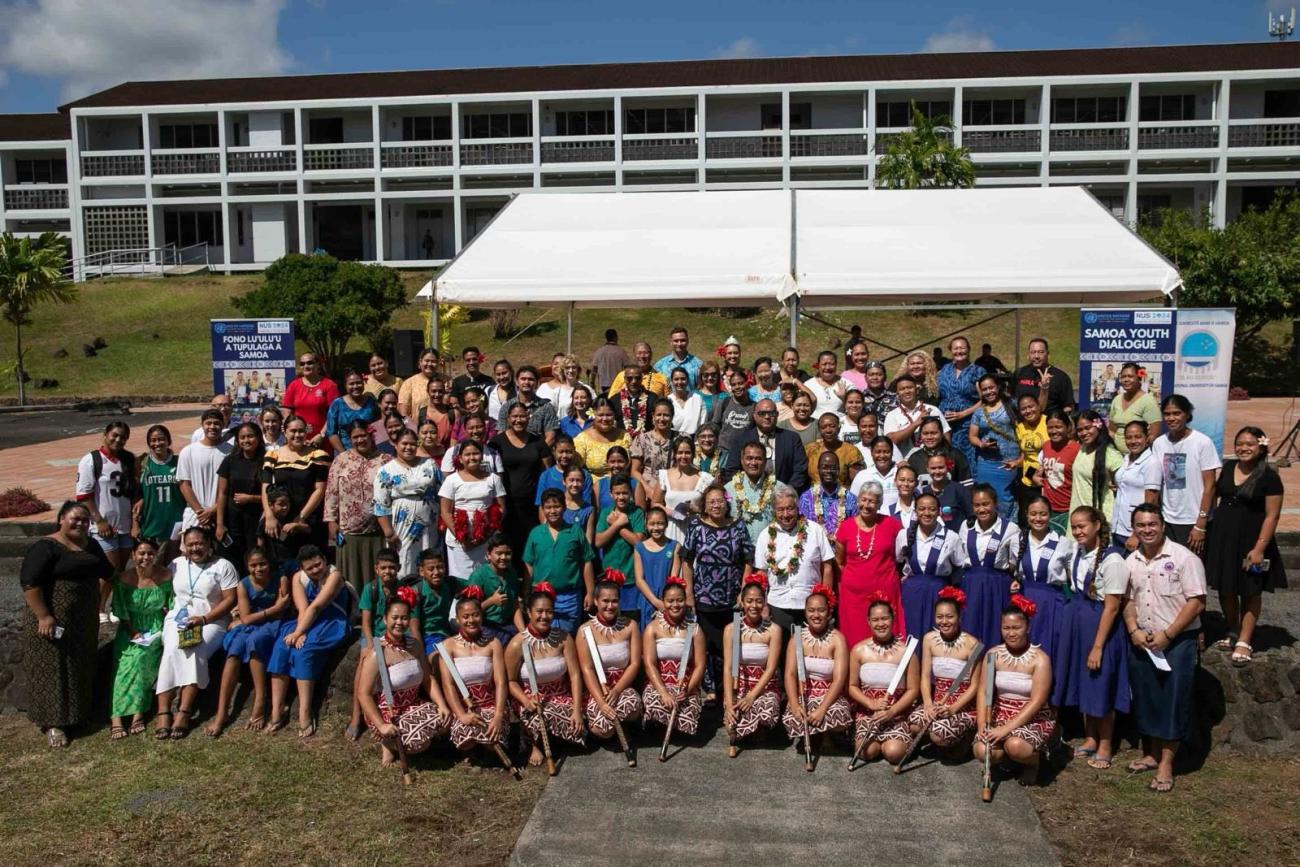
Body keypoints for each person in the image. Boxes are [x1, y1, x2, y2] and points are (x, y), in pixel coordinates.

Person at [19, 502, 114, 747]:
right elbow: (30, 584)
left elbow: (109, 572)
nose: (81, 523)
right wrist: (44, 615)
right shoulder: (46, 547)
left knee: (79, 664)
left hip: (82, 620)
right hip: (50, 618)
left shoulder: (91, 545)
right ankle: (54, 723)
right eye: (75, 519)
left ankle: (78, 715)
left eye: (85, 520)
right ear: (61, 518)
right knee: (53, 668)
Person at [1204, 426, 1286, 666]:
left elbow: (1272, 516)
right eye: (1240, 443)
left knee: (1250, 590)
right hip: (1224, 538)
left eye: (1250, 444)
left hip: (1253, 540)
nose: (1244, 448)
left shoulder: (1269, 476)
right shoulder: (1229, 468)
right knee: (1226, 587)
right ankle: (1233, 629)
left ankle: (1245, 640)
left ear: (1261, 447)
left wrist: (1260, 548)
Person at [1055, 506, 1129, 770]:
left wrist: (1098, 646)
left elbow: (1111, 606)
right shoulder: (1077, 552)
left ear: (1097, 525)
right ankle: (1090, 737)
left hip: (1100, 628)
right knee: (1084, 681)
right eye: (1074, 527)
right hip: (1079, 621)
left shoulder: (1113, 560)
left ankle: (1106, 743)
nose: (1078, 532)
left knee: (1100, 683)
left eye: (1082, 526)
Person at [155, 526, 239, 739]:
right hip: (179, 619)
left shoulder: (223, 566)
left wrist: (203, 619)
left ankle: (184, 710)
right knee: (173, 648)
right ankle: (164, 710)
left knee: (194, 648)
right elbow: (157, 582)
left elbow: (230, 599)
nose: (195, 548)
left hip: (212, 621)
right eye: (190, 544)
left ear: (209, 543)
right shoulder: (176, 564)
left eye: (199, 543)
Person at [355, 593, 453, 768]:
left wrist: (441, 704)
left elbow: (428, 678)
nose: (399, 622)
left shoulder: (414, 645)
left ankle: (412, 738)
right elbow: (363, 694)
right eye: (395, 618)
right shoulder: (378, 652)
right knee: (417, 743)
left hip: (412, 705)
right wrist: (382, 725)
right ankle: (388, 743)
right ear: (385, 619)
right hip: (388, 712)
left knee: (446, 719)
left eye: (404, 618)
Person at [266, 546, 353, 737]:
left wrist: (299, 633)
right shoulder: (297, 578)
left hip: (331, 621)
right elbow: (303, 607)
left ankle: (305, 710)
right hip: (306, 619)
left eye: (318, 564)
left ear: (324, 559)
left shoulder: (334, 576)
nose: (315, 570)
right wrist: (300, 630)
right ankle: (277, 708)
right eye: (310, 568)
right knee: (282, 646)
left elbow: (317, 606)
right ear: (302, 569)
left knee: (303, 650)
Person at [677, 483, 754, 699]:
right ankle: (709, 689)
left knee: (728, 644)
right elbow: (687, 559)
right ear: (704, 505)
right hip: (704, 594)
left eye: (720, 501)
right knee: (707, 644)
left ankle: (727, 688)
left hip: (731, 595)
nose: (716, 505)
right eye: (711, 502)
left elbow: (748, 558)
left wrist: (744, 590)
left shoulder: (738, 526)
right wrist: (689, 592)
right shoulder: (696, 525)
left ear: (726, 503)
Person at [205, 547, 290, 737]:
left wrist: (271, 611)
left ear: (269, 564)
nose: (258, 569)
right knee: (234, 649)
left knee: (254, 641)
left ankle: (260, 698)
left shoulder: (280, 580)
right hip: (253, 622)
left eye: (262, 564)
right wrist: (271, 609)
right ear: (247, 567)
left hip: (273, 625)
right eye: (253, 565)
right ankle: (221, 713)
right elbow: (245, 618)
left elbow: (282, 611)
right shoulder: (243, 585)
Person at [974, 596, 1057, 786]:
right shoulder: (992, 654)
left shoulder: (1040, 659)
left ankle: (1034, 762)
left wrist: (1005, 729)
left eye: (1016, 628)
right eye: (1006, 628)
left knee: (1015, 746)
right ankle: (1008, 760)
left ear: (1027, 628)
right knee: (981, 749)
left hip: (1033, 716)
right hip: (1001, 712)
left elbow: (1037, 701)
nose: (1011, 633)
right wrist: (981, 725)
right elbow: (983, 692)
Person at [506, 583, 587, 765]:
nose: (544, 616)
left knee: (577, 727)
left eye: (549, 612)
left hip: (559, 695)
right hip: (529, 698)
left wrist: (576, 709)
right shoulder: (517, 644)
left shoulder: (564, 638)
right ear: (529, 612)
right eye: (539, 611)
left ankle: (555, 738)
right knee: (536, 718)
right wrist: (526, 701)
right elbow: (510, 681)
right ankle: (534, 744)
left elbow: (575, 675)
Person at [107, 537, 173, 739]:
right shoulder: (123, 579)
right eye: (141, 553)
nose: (146, 557)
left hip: (154, 627)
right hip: (130, 628)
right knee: (124, 664)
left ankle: (138, 713)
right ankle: (116, 717)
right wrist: (133, 632)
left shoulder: (165, 576)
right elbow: (120, 610)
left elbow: (170, 606)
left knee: (141, 660)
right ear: (133, 555)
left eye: (150, 553)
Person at [907, 587, 982, 754]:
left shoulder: (972, 644)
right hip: (937, 700)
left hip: (962, 704)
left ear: (959, 616)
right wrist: (927, 704)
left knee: (938, 735)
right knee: (913, 724)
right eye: (939, 617)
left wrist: (953, 708)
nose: (944, 621)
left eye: (950, 616)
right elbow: (925, 676)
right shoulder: (929, 639)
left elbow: (975, 686)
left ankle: (965, 737)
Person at [846, 597, 920, 767]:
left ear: (893, 619)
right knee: (866, 752)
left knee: (894, 753)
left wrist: (892, 711)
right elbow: (852, 686)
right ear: (868, 622)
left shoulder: (906, 652)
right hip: (868, 712)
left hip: (896, 712)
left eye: (885, 618)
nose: (881, 624)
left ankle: (903, 740)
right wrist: (870, 703)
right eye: (875, 619)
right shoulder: (858, 650)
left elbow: (913, 690)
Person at [440, 587, 511, 759]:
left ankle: (488, 746)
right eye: (466, 616)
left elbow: (501, 682)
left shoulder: (493, 643)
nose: (471, 620)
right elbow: (448, 685)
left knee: (494, 736)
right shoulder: (447, 646)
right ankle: (471, 750)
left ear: (482, 615)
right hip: (463, 706)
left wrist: (498, 714)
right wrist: (462, 715)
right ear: (457, 619)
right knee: (466, 739)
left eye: (475, 615)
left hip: (489, 704)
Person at [755, 485, 835, 632]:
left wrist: (826, 603)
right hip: (778, 604)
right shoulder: (765, 535)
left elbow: (828, 566)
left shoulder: (815, 530)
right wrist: (763, 605)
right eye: (780, 509)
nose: (786, 514)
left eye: (790, 508)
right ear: (774, 510)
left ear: (798, 507)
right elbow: (761, 573)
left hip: (810, 607)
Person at [835, 481, 906, 646]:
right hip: (853, 596)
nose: (866, 505)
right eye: (863, 500)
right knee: (854, 637)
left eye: (872, 501)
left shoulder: (892, 525)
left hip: (885, 592)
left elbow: (902, 556)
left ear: (880, 504)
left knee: (886, 635)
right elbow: (839, 562)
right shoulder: (845, 527)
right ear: (858, 500)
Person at [321, 419, 387, 595]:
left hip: (378, 530)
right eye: (354, 437)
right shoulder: (341, 460)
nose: (359, 440)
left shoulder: (385, 460)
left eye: (362, 436)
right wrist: (331, 521)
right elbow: (331, 492)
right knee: (350, 576)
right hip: (349, 530)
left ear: (371, 435)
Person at [781, 584, 852, 749]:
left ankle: (825, 734)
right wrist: (794, 704)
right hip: (806, 692)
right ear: (805, 612)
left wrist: (822, 709)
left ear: (829, 612)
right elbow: (790, 675)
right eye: (811, 610)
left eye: (821, 610)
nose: (816, 615)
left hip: (830, 695)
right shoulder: (797, 637)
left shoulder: (838, 639)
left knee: (837, 717)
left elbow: (839, 679)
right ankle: (815, 733)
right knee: (794, 718)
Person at [576, 572, 645, 739]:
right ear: (595, 602)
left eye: (614, 601)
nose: (610, 606)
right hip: (597, 689)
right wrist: (601, 701)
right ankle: (604, 724)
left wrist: (617, 690)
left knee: (633, 707)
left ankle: (623, 724)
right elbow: (587, 669)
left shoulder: (631, 626)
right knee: (603, 730)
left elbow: (635, 663)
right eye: (605, 601)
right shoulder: (585, 630)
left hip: (620, 685)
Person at [1150, 394, 1221, 550]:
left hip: (1193, 521)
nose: (1171, 418)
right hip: (1168, 520)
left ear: (1187, 414)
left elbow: (1210, 486)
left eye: (1177, 413)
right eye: (1167, 414)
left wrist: (1200, 524)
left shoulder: (1202, 442)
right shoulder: (1159, 443)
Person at [722, 574, 784, 752]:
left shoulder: (774, 630)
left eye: (758, 601)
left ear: (764, 602)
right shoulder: (731, 629)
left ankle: (759, 730)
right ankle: (745, 728)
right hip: (738, 683)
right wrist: (728, 701)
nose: (753, 606)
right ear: (742, 602)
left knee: (766, 709)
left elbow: (772, 667)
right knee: (732, 722)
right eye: (749, 601)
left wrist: (752, 696)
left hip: (764, 685)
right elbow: (727, 668)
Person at [957, 484, 1022, 649]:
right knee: (969, 632)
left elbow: (1015, 562)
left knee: (994, 632)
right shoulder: (967, 526)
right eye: (977, 505)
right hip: (971, 586)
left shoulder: (1011, 529)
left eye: (986, 504)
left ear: (995, 504)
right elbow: (961, 556)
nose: (981, 509)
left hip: (997, 586)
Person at [524, 490, 597, 634]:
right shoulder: (536, 533)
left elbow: (586, 563)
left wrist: (590, 592)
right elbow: (529, 565)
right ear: (543, 509)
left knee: (568, 636)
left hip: (569, 596)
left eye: (556, 506)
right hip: (541, 596)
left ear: (564, 507)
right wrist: (526, 592)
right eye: (548, 507)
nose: (552, 511)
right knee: (542, 637)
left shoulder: (575, 532)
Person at [642, 577, 708, 738]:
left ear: (685, 601)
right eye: (670, 601)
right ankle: (657, 726)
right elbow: (649, 663)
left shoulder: (694, 629)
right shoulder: (652, 628)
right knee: (657, 706)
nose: (675, 605)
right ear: (663, 602)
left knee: (687, 714)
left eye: (679, 600)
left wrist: (687, 689)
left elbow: (700, 665)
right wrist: (663, 692)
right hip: (659, 683)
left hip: (684, 684)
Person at [492, 402, 553, 566]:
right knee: (508, 548)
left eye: (522, 416)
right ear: (508, 418)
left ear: (528, 418)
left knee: (531, 546)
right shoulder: (497, 443)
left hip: (532, 505)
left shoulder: (538, 442)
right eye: (515, 416)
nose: (518, 420)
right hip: (506, 506)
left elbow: (548, 472)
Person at [1017, 496, 1069, 692]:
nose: (1038, 518)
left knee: (1049, 652)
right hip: (1025, 602)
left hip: (1051, 605)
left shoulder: (1063, 543)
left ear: (1050, 515)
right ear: (1026, 515)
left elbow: (1071, 577)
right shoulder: (1019, 540)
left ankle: (1049, 704)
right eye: (1033, 514)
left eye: (1043, 514)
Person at [373, 429, 442, 576]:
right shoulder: (386, 470)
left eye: (412, 444)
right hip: (401, 527)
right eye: (404, 443)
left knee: (430, 562)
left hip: (429, 525)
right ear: (395, 445)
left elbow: (442, 493)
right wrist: (389, 532)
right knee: (405, 562)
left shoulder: (429, 464)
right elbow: (380, 505)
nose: (408, 447)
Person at [438, 440, 506, 581]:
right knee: (462, 582)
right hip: (459, 541)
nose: (472, 458)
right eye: (467, 454)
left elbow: (501, 509)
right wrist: (462, 537)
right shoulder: (452, 480)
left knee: (485, 579)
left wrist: (485, 536)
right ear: (460, 458)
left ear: (481, 456)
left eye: (475, 453)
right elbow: (445, 512)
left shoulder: (493, 479)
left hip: (486, 538)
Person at [896, 492, 961, 642]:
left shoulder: (951, 536)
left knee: (937, 634)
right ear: (916, 511)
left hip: (938, 592)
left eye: (931, 509)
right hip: (911, 592)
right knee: (911, 632)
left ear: (938, 511)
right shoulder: (903, 535)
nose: (926, 513)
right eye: (922, 509)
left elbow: (959, 565)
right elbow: (898, 561)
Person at [75, 421, 135, 572]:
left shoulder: (128, 460)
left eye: (123, 437)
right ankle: (97, 597)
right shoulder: (91, 460)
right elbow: (83, 496)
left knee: (121, 574)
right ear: (105, 435)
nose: (118, 440)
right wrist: (99, 520)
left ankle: (115, 597)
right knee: (109, 574)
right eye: (114, 435)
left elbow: (134, 492)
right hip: (104, 528)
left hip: (125, 527)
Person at [969, 374, 1022, 522]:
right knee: (985, 498)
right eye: (984, 389)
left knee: (1006, 498)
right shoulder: (979, 411)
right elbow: (972, 435)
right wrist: (981, 444)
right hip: (986, 463)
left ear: (998, 387)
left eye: (991, 387)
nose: (988, 392)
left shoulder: (1012, 404)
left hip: (1009, 462)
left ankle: (1008, 529)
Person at [725, 398, 809, 490]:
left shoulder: (792, 439)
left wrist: (787, 491)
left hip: (784, 496)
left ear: (777, 415)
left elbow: (800, 470)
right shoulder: (741, 439)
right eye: (762, 413)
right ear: (754, 415)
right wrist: (746, 492)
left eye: (771, 413)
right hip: (749, 497)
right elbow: (732, 470)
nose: (767, 417)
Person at [214, 422, 265, 571]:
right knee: (232, 560)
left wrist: (251, 498)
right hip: (232, 520)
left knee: (255, 558)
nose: (246, 440)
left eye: (250, 436)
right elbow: (222, 493)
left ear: (258, 438)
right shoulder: (230, 461)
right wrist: (219, 523)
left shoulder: (267, 460)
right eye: (242, 437)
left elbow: (272, 496)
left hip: (256, 520)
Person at [595, 474, 647, 616]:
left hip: (631, 577)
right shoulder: (606, 513)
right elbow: (598, 541)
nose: (621, 497)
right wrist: (616, 524)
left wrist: (619, 527)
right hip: (609, 577)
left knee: (630, 617)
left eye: (625, 493)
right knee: (610, 616)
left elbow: (639, 542)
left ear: (631, 493)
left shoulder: (637, 512)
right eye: (617, 493)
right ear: (611, 494)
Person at [177, 409, 235, 531]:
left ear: (223, 425)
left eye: (216, 423)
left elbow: (232, 486)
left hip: (223, 515)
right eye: (208, 423)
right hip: (196, 516)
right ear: (202, 425)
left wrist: (214, 509)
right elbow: (184, 485)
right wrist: (200, 512)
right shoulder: (188, 451)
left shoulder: (232, 452)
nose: (212, 427)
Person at [463, 533, 526, 643]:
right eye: (499, 553)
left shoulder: (511, 574)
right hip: (485, 626)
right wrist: (491, 601)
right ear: (489, 555)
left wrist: (523, 632)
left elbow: (514, 606)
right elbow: (469, 612)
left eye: (507, 553)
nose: (503, 557)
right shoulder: (479, 575)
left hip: (507, 625)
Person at [133, 425, 184, 552]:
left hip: (177, 525)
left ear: (168, 441)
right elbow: (135, 496)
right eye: (153, 440)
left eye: (161, 439)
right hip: (152, 526)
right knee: (154, 567)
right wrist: (135, 525)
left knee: (175, 567)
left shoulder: (180, 462)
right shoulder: (142, 463)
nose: (157, 443)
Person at [937, 337, 986, 470]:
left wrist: (962, 414)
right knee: (946, 458)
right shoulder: (944, 369)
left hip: (967, 424)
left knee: (966, 460)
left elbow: (985, 399)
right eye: (955, 348)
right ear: (951, 351)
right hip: (945, 424)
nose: (959, 351)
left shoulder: (977, 371)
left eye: (962, 348)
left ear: (969, 349)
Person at [655, 435, 713, 543]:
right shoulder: (664, 476)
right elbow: (655, 503)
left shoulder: (704, 478)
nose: (683, 456)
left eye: (687, 452)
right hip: (670, 528)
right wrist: (672, 513)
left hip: (695, 529)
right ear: (674, 454)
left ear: (693, 454)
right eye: (680, 452)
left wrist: (696, 510)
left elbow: (711, 507)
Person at [281, 353, 340, 447]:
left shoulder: (329, 385)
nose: (306, 366)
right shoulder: (294, 385)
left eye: (309, 363)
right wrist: (291, 432)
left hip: (322, 440)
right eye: (302, 364)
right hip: (297, 439)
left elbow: (334, 414)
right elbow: (286, 411)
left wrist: (321, 435)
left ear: (318, 364)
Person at [633, 507, 676, 628]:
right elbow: (639, 579)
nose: (656, 528)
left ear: (666, 524)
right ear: (646, 525)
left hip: (667, 601)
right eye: (651, 524)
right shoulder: (639, 548)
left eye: (660, 523)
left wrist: (665, 601)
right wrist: (655, 601)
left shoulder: (674, 546)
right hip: (647, 599)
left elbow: (674, 578)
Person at [497, 365, 560, 446]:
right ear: (517, 382)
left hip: (538, 453)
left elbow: (551, 437)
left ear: (537, 383)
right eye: (523, 379)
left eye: (531, 379)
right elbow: (501, 433)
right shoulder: (507, 406)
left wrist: (536, 453)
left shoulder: (546, 407)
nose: (526, 382)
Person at [1038, 410, 1078, 534]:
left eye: (1058, 427)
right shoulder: (1046, 446)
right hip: (1048, 508)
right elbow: (1039, 469)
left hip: (1068, 509)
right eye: (1050, 428)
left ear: (1068, 427)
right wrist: (1034, 477)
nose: (1054, 431)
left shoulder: (1076, 449)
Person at [800, 451, 857, 538]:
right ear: (818, 469)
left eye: (833, 468)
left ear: (838, 470)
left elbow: (855, 531)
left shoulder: (850, 498)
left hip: (841, 549)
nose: (829, 471)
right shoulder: (806, 498)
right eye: (824, 467)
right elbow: (802, 529)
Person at [728, 442, 777, 542]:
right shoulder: (728, 489)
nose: (753, 463)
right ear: (742, 461)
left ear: (765, 461)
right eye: (749, 458)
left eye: (758, 459)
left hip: (770, 549)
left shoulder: (779, 489)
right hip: (738, 550)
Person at [1009, 338, 1073, 415]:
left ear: (1048, 354)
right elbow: (1011, 398)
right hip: (1024, 423)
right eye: (1033, 352)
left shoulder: (1061, 377)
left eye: (1041, 352)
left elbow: (1068, 406)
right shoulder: (1019, 373)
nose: (1036, 356)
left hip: (1049, 423)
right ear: (1028, 355)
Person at [573, 397, 632, 481]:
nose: (605, 419)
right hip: (595, 488)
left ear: (614, 415)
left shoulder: (624, 436)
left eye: (608, 415)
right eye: (600, 415)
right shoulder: (582, 439)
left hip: (623, 485)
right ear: (593, 416)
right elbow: (576, 469)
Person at [885, 375, 949, 451]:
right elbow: (891, 440)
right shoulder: (892, 415)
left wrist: (946, 454)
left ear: (917, 390)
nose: (906, 391)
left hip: (932, 459)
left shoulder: (932, 410)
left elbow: (946, 434)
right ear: (897, 393)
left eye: (910, 388)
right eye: (902, 389)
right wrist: (916, 423)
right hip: (906, 460)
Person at [534, 434, 590, 516]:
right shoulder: (546, 476)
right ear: (554, 451)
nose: (564, 456)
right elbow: (541, 507)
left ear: (574, 451)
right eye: (561, 452)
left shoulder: (584, 475)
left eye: (568, 452)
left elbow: (586, 505)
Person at [906, 416, 970, 487]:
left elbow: (967, 486)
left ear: (942, 433)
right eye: (925, 433)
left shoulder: (955, 455)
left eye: (934, 433)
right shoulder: (914, 459)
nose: (929, 437)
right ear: (920, 435)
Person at [325, 370, 379, 453]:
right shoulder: (337, 404)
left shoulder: (371, 402)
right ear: (345, 386)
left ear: (363, 383)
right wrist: (345, 455)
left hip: (370, 451)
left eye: (358, 383)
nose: (355, 386)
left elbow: (379, 425)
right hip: (344, 451)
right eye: (351, 384)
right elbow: (331, 433)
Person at [631, 398, 675, 500]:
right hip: (647, 493)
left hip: (672, 492)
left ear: (672, 417)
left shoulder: (680, 438)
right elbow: (634, 471)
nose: (662, 419)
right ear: (653, 416)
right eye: (659, 415)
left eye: (666, 415)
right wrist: (649, 490)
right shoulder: (642, 439)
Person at [1014, 393, 1048, 521]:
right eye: (1023, 409)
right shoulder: (1020, 427)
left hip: (1046, 479)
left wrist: (1044, 388)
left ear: (1038, 406)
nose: (1028, 411)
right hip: (1028, 479)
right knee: (1027, 519)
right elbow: (1025, 455)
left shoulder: (1048, 422)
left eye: (1031, 406)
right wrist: (1016, 463)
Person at [712, 367, 757, 463]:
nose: (737, 387)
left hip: (745, 454)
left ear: (746, 383)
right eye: (734, 385)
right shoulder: (724, 403)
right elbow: (715, 426)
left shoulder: (754, 407)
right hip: (723, 452)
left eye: (740, 383)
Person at [806, 412, 861, 488]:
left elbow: (857, 483)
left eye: (832, 426)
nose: (828, 430)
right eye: (823, 427)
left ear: (839, 428)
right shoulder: (810, 449)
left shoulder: (851, 451)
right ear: (819, 430)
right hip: (814, 496)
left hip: (841, 496)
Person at [1107, 363, 1161, 438]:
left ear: (1139, 378)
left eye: (1130, 376)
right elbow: (1112, 430)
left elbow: (1153, 434)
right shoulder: (1117, 399)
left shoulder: (1148, 401)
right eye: (1123, 377)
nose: (1126, 380)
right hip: (1115, 449)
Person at [850, 435, 900, 506]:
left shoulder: (901, 474)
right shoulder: (862, 476)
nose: (882, 456)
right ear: (871, 453)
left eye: (886, 452)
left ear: (892, 453)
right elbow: (852, 503)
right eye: (878, 452)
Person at [538, 354, 588, 419]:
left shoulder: (586, 388)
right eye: (567, 368)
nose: (571, 370)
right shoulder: (557, 391)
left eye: (574, 367)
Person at [803, 350, 847, 417]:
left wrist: (844, 398)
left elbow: (856, 407)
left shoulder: (846, 384)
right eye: (824, 364)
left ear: (836, 365)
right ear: (818, 365)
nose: (828, 367)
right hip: (814, 425)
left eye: (831, 364)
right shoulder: (808, 385)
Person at [398, 349, 440, 419]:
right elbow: (403, 413)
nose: (429, 364)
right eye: (426, 361)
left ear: (438, 363)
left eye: (433, 361)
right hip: (416, 428)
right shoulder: (409, 383)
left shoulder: (446, 381)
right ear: (420, 362)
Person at [666, 367, 706, 436]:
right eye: (676, 379)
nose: (680, 382)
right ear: (671, 381)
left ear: (687, 381)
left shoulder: (697, 399)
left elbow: (703, 423)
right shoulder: (668, 400)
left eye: (683, 379)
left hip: (694, 441)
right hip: (673, 440)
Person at [592, 328, 630, 393]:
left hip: (603, 384)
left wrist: (592, 382)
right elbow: (627, 368)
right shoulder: (621, 351)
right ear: (615, 337)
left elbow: (594, 368)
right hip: (618, 383)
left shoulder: (600, 351)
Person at [886, 464, 920, 530]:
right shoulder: (888, 511)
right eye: (902, 480)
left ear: (916, 483)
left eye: (911, 481)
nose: (906, 484)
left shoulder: (923, 509)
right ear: (895, 481)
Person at [486, 359, 516, 424]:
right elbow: (479, 404)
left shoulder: (518, 391)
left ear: (511, 372)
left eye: (504, 373)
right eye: (498, 374)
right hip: (493, 432)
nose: (502, 377)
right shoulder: (488, 391)